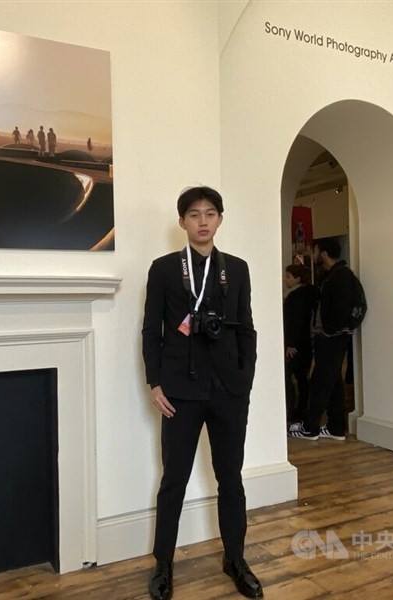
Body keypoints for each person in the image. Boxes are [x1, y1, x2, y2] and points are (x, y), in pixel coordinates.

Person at [142, 186, 262, 600]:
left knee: (231, 478)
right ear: (182, 222)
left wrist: (245, 381)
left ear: (220, 219)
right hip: (179, 390)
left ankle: (236, 558)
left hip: (229, 390)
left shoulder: (238, 269)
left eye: (210, 213)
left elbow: (246, 327)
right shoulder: (163, 269)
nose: (203, 221)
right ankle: (163, 565)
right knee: (173, 479)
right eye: (194, 214)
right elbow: (151, 330)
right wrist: (154, 382)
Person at [289, 238, 364, 441]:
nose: (312, 253)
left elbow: (339, 309)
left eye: (314, 249)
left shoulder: (340, 277)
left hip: (331, 338)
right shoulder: (333, 275)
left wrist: (330, 331)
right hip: (331, 337)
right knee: (334, 382)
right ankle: (336, 428)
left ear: (322, 252)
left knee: (320, 381)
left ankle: (310, 427)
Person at [282, 264, 317, 426]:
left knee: (291, 378)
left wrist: (291, 343)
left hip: (295, 344)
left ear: (297, 278)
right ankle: (303, 411)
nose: (285, 279)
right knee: (302, 379)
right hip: (306, 343)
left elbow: (295, 322)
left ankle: (293, 412)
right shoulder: (310, 294)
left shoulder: (295, 297)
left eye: (288, 276)